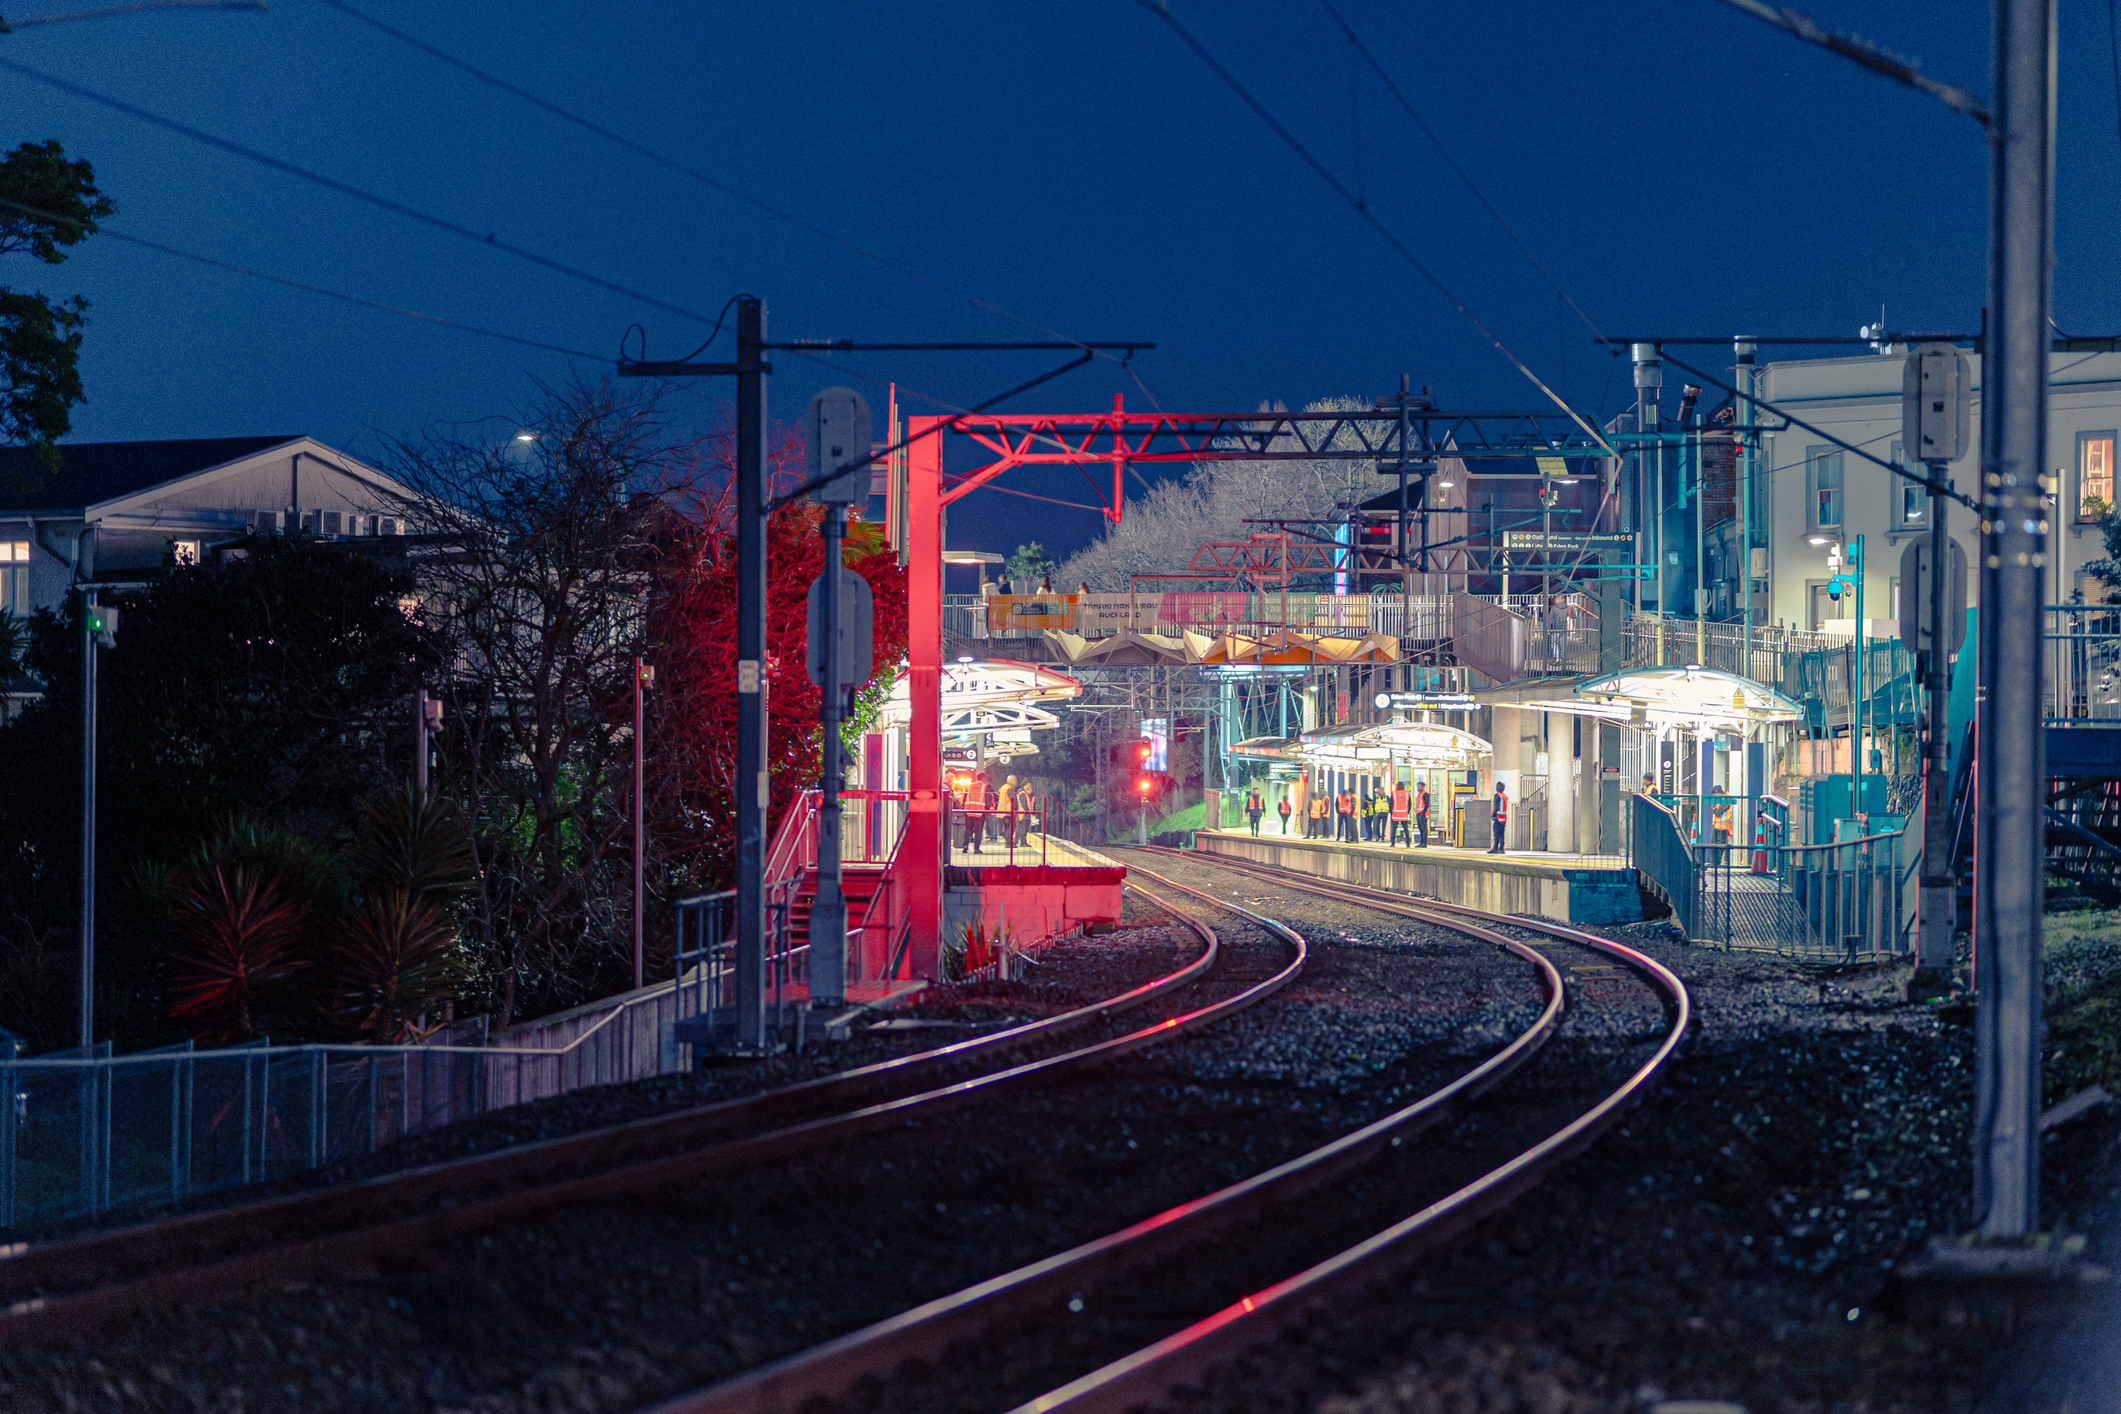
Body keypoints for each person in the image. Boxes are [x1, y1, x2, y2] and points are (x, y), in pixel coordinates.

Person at [964, 772, 990, 855]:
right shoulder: (985, 787)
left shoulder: (969, 786)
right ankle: (976, 848)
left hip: (969, 811)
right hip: (979, 812)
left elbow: (964, 798)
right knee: (978, 831)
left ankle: (965, 846)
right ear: (983, 778)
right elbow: (988, 800)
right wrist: (986, 810)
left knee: (968, 829)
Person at [996, 774, 1019, 850]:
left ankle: (1008, 842)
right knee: (1010, 828)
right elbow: (1013, 800)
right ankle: (1009, 843)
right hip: (1009, 811)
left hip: (1003, 811)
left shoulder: (1003, 787)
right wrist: (1016, 808)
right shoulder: (1010, 788)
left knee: (1006, 828)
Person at [1389, 780, 1412, 847]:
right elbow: (1409, 804)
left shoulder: (1394, 794)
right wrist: (1407, 812)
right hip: (1404, 815)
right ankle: (1408, 843)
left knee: (1394, 829)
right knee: (1406, 829)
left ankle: (1393, 843)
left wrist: (1392, 813)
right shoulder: (1407, 794)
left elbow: (1390, 804)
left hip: (1395, 814)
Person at [1489, 781, 1509, 854]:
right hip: (1504, 817)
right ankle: (1501, 849)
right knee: (1502, 833)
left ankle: (1495, 848)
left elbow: (1496, 807)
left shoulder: (1497, 796)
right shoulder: (1504, 796)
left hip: (1498, 817)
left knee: (1496, 833)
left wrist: (1493, 815)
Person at [1415, 780, 1431, 848]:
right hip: (1419, 814)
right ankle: (1421, 843)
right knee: (1420, 829)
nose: (1417, 788)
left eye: (1419, 786)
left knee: (1424, 829)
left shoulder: (1425, 794)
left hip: (1423, 814)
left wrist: (1423, 813)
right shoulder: (1419, 794)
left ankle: (1424, 843)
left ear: (1422, 787)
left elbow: (1427, 804)